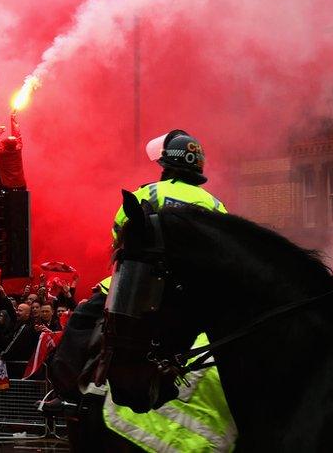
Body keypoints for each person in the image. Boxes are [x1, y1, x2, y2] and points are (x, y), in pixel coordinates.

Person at [102, 129, 237, 451]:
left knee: (89, 319)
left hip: (145, 291)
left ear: (165, 164)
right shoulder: (216, 205)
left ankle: (71, 390)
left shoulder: (149, 194)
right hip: (197, 300)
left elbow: (120, 236)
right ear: (198, 167)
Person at [113, 129, 226, 242]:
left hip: (156, 259)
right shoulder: (215, 204)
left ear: (167, 164)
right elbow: (228, 242)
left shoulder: (152, 193)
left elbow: (118, 227)